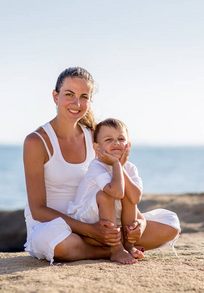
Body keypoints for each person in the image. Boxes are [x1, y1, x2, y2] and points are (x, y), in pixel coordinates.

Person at [23, 67, 180, 265]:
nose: (76, 103)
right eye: (69, 94)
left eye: (84, 96)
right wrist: (91, 230)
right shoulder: (36, 141)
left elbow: (120, 187)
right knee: (58, 244)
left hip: (99, 219)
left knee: (171, 225)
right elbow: (38, 210)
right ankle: (110, 250)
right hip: (56, 227)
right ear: (56, 96)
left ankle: (110, 244)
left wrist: (139, 222)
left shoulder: (96, 137)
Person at [67, 118, 145, 264]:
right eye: (109, 139)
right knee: (106, 194)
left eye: (121, 139)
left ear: (128, 145)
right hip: (85, 217)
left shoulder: (130, 168)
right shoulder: (96, 166)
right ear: (97, 148)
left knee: (129, 193)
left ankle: (129, 245)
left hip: (109, 217)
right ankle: (115, 249)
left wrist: (121, 167)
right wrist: (116, 164)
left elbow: (135, 198)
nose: (116, 143)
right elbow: (117, 192)